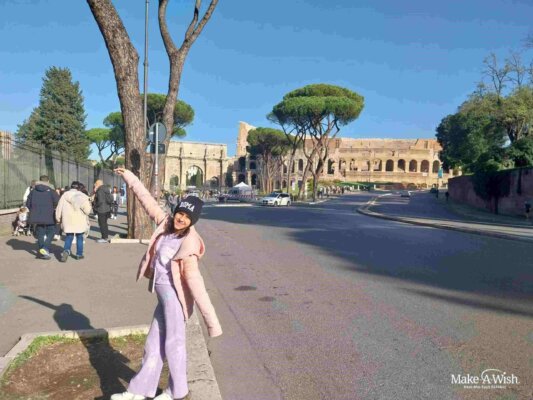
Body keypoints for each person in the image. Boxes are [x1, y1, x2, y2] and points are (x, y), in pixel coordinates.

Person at [110, 167, 222, 400]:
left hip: (174, 299)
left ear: (192, 221)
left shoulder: (188, 245)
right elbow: (147, 201)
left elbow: (197, 285)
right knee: (153, 346)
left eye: (187, 217)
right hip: (163, 298)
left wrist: (211, 322)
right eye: (181, 213)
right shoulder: (166, 224)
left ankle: (177, 391)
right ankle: (138, 391)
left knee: (174, 344)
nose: (182, 219)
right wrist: (129, 177)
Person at [55, 181, 92, 262]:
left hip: (68, 220)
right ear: (78, 188)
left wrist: (58, 218)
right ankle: (79, 254)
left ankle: (66, 250)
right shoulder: (82, 196)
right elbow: (87, 211)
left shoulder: (64, 195)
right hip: (79, 220)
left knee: (69, 236)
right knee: (80, 237)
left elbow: (59, 207)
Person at [26, 175, 59, 260]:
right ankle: (45, 248)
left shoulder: (33, 191)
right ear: (48, 181)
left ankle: (42, 251)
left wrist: (34, 210)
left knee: (40, 233)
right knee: (52, 231)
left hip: (37, 216)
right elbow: (57, 202)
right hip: (49, 216)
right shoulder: (51, 191)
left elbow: (28, 204)